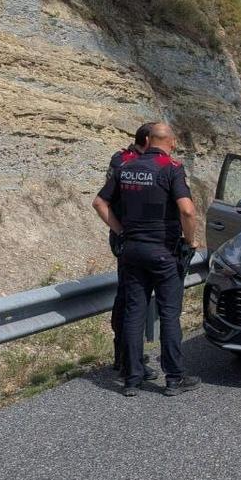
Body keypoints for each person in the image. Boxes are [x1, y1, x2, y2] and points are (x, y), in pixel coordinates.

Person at [93, 122, 201, 397]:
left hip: (131, 250)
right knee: (169, 314)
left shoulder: (126, 167)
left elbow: (99, 203)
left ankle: (131, 378)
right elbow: (187, 211)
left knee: (133, 314)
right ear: (171, 142)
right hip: (163, 252)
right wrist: (190, 241)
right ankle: (174, 378)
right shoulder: (171, 168)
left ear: (148, 140)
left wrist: (120, 230)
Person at [107, 123, 154, 378]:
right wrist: (122, 232)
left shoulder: (123, 159)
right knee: (130, 299)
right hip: (130, 238)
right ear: (147, 140)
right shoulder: (126, 162)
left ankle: (126, 356)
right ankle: (127, 360)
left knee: (129, 297)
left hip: (130, 237)